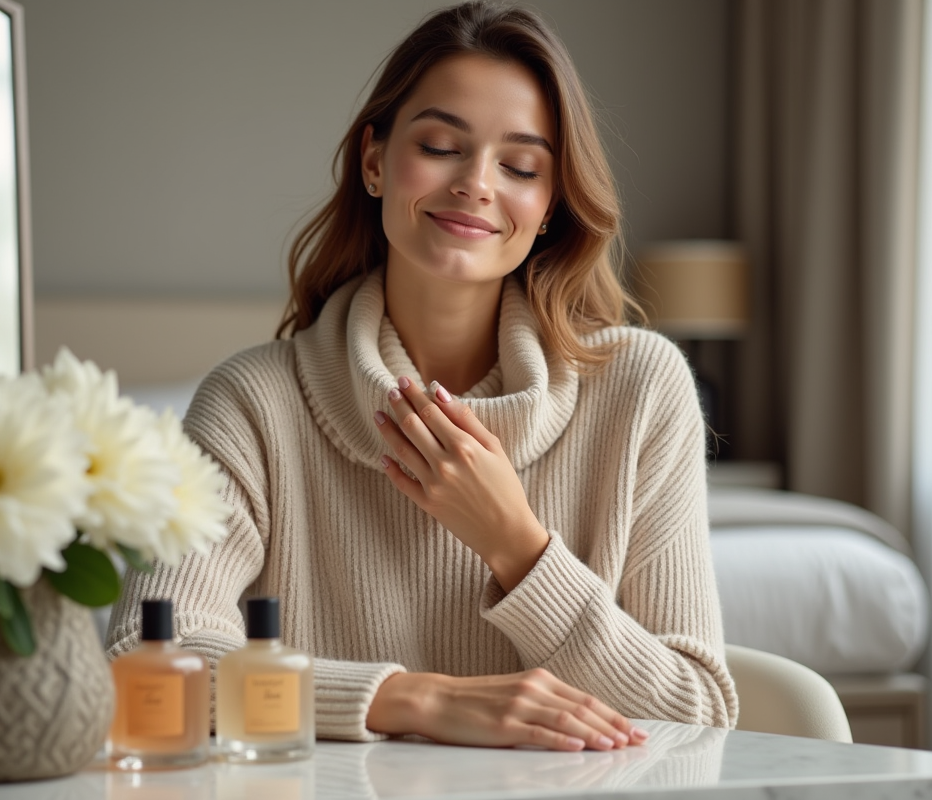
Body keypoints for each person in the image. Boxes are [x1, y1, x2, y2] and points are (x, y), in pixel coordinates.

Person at [108, 0, 738, 751]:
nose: (476, 183)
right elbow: (143, 664)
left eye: (520, 166)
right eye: (442, 145)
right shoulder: (253, 404)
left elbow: (698, 713)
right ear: (375, 162)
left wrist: (516, 545)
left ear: (548, 209)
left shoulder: (642, 389)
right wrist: (412, 698)